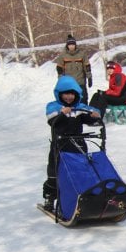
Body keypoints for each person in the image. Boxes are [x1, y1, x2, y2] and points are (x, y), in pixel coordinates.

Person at [42, 75, 101, 211]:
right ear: (59, 94)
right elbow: (51, 119)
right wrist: (61, 113)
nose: (69, 97)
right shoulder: (54, 106)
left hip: (77, 144)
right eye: (65, 94)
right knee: (54, 174)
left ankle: (81, 198)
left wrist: (94, 114)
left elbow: (91, 113)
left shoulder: (79, 107)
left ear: (76, 95)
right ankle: (50, 198)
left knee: (81, 172)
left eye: (71, 94)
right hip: (60, 145)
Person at [55, 34, 92, 104]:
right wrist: (60, 80)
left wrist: (89, 77)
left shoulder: (82, 54)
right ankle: (71, 113)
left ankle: (84, 113)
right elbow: (59, 68)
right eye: (69, 45)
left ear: (75, 45)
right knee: (70, 101)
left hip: (80, 81)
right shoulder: (63, 55)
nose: (71, 46)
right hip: (69, 83)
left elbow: (87, 66)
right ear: (67, 45)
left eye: (73, 44)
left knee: (83, 99)